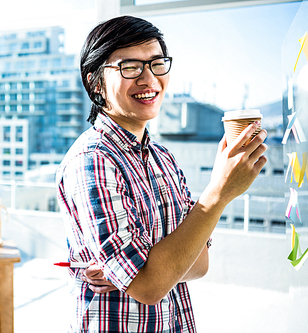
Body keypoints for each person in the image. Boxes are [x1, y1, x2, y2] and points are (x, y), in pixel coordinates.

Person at [55, 15, 267, 333]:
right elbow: (150, 286)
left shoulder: (162, 158)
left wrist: (135, 274)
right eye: (130, 67)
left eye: (157, 63)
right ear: (96, 82)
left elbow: (198, 265)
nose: (149, 78)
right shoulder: (93, 161)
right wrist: (219, 191)